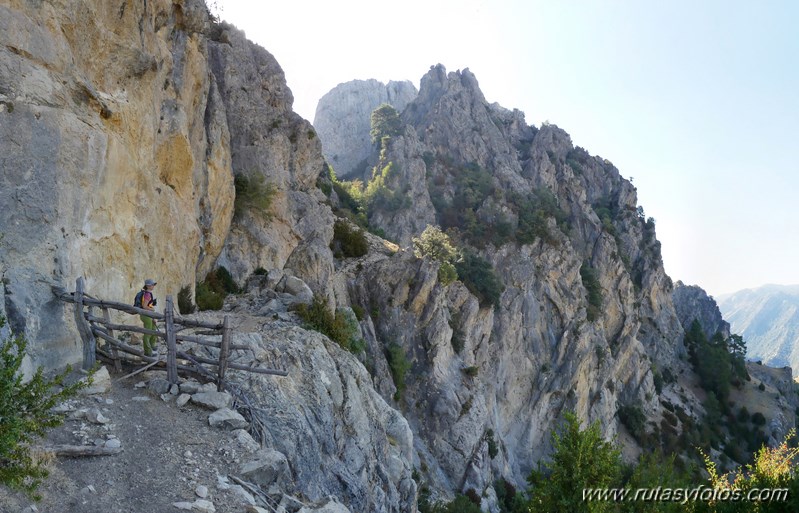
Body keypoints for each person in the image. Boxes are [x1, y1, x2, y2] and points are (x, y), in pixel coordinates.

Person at [138, 279, 158, 357]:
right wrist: (152, 309)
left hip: (148, 315)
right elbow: (144, 306)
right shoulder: (147, 294)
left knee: (153, 329)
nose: (153, 286)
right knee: (148, 332)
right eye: (152, 285)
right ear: (148, 286)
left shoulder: (148, 293)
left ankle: (152, 345)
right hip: (146, 315)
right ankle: (148, 351)